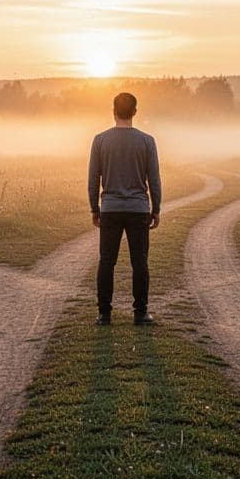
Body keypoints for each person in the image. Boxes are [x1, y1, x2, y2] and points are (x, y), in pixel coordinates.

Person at [87, 92, 161, 326]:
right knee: (139, 261)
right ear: (135, 112)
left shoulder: (100, 140)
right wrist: (156, 208)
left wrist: (94, 208)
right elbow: (154, 179)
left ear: (113, 111)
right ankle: (140, 313)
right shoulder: (147, 141)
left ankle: (104, 314)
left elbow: (93, 179)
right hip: (138, 209)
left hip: (110, 208)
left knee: (106, 261)